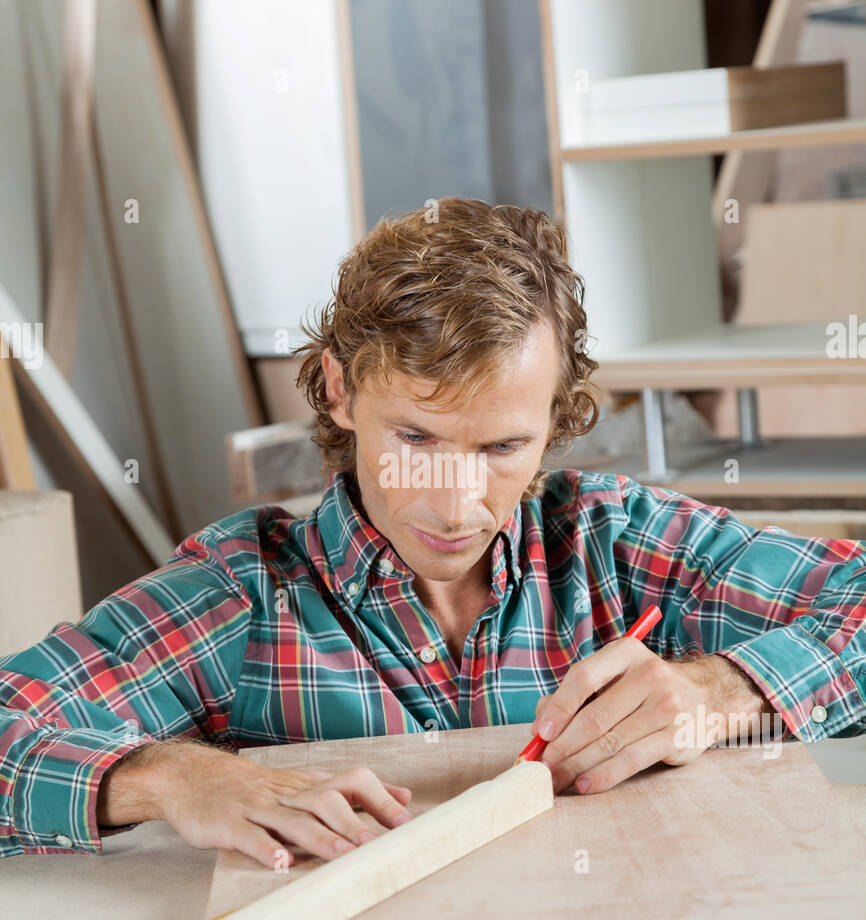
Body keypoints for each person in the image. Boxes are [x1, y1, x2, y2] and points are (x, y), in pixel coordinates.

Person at [2, 198, 864, 867]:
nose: (456, 506)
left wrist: (727, 690)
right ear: (340, 391)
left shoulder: (620, 546)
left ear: (555, 420)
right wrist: (166, 775)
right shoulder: (245, 597)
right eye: (415, 437)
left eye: (503, 447)